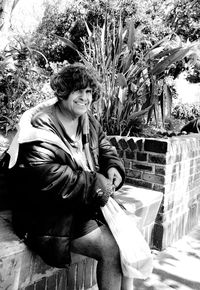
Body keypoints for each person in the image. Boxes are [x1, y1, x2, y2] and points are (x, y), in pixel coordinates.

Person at [8, 63, 134, 290]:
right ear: (63, 91)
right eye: (78, 90)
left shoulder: (88, 121)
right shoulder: (39, 127)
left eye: (89, 92)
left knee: (128, 236)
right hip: (49, 214)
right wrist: (99, 184)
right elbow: (51, 179)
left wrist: (114, 167)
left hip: (81, 204)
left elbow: (106, 150)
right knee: (111, 248)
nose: (85, 97)